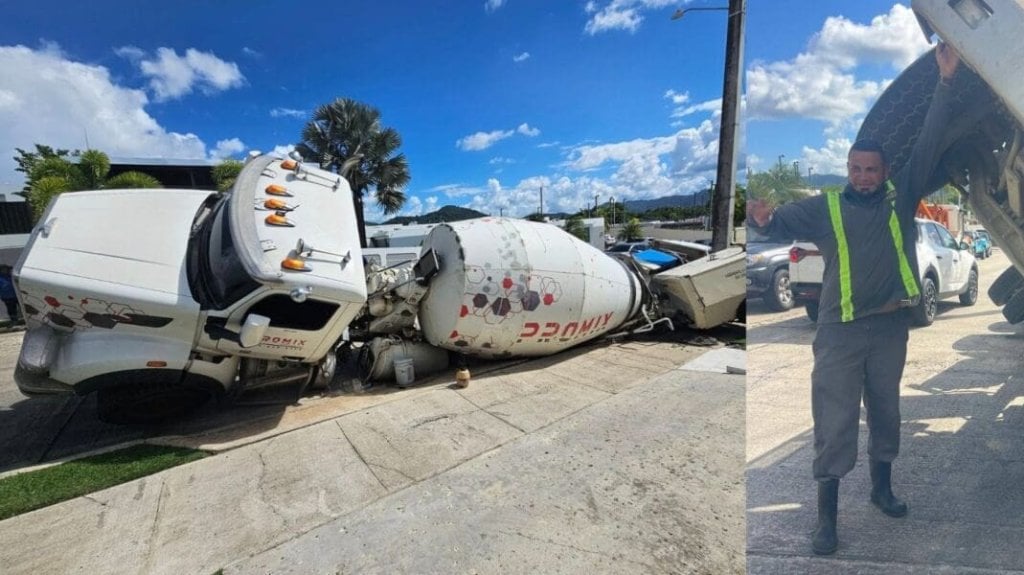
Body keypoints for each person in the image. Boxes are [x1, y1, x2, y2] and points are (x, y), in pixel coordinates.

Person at [747, 43, 961, 555]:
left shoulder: (902, 194)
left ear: (885, 171)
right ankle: (827, 519)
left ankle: (882, 489)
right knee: (835, 422)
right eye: (856, 168)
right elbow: (774, 223)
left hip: (889, 329)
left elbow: (929, 140)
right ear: (847, 168)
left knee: (887, 413)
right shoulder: (823, 208)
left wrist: (946, 82)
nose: (864, 175)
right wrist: (759, 218)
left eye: (872, 169)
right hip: (839, 333)